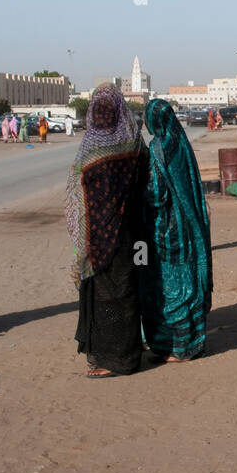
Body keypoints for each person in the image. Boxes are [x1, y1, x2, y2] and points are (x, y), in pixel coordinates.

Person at [66, 84, 144, 378]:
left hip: (97, 239)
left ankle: (108, 359)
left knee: (104, 296)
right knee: (126, 291)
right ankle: (129, 353)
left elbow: (79, 199)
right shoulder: (134, 143)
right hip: (132, 233)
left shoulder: (88, 149)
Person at [139, 99, 212, 362]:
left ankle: (172, 348)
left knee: (169, 287)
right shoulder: (181, 144)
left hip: (167, 231)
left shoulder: (157, 148)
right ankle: (190, 344)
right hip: (189, 227)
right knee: (189, 282)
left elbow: (156, 195)